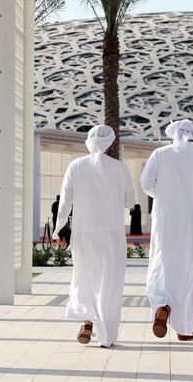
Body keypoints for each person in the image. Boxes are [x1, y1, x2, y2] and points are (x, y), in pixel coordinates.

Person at [53, 125, 136, 348]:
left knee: (84, 277)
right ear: (110, 143)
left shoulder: (76, 166)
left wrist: (59, 229)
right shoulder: (120, 168)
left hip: (84, 232)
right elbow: (130, 201)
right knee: (109, 281)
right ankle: (107, 336)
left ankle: (87, 321)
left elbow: (64, 203)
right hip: (112, 233)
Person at [141, 119, 193, 341]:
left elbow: (146, 183)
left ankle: (162, 304)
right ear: (192, 134)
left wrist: (162, 194)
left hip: (165, 218)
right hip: (191, 220)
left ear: (170, 134)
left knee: (161, 263)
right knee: (188, 271)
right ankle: (184, 329)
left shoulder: (159, 154)